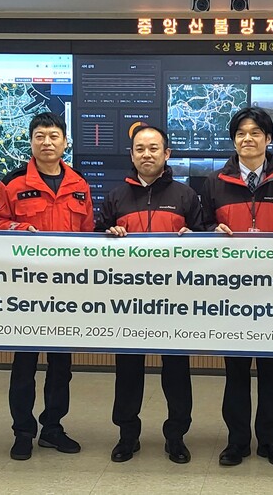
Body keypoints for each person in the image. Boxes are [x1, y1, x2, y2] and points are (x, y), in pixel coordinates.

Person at [0, 111, 94, 461]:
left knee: (62, 366)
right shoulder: (13, 183)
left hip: (67, 293)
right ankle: (22, 431)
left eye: (54, 135)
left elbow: (89, 236)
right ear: (31, 142)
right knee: (24, 365)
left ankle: (53, 428)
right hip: (25, 292)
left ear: (65, 141)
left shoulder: (80, 185)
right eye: (40, 136)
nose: (47, 142)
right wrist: (16, 229)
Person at [199, 106, 273, 468]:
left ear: (268, 139)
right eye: (241, 133)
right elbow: (204, 228)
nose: (248, 138)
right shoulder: (215, 182)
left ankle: (272, 441)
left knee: (272, 373)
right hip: (232, 295)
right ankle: (237, 441)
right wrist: (212, 231)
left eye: (256, 132)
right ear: (234, 140)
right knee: (236, 371)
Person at [96, 125, 203, 464]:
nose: (147, 154)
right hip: (128, 302)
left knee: (176, 372)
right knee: (128, 372)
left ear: (166, 154)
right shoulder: (115, 197)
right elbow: (94, 247)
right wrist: (107, 236)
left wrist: (194, 238)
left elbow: (205, 246)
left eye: (154, 148)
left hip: (175, 301)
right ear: (131, 155)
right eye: (140, 148)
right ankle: (127, 436)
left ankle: (176, 437)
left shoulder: (186, 196)